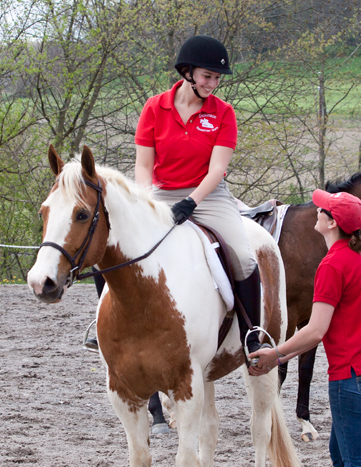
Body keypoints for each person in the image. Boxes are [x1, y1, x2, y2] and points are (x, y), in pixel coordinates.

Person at [134, 34, 268, 360]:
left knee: (242, 253)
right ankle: (102, 323)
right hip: (162, 193)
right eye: (208, 76)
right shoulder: (154, 107)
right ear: (188, 72)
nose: (213, 83)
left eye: (217, 78)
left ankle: (253, 332)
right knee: (117, 241)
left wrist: (191, 202)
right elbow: (143, 164)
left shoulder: (224, 113)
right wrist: (143, 201)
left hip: (208, 196)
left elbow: (217, 169)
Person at [249, 190, 361, 467]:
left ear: (332, 223)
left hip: (350, 378)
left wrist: (275, 352)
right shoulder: (360, 262)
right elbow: (322, 330)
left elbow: (314, 330)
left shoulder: (331, 265)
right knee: (339, 453)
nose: (317, 209)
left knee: (355, 461)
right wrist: (281, 358)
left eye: (323, 208)